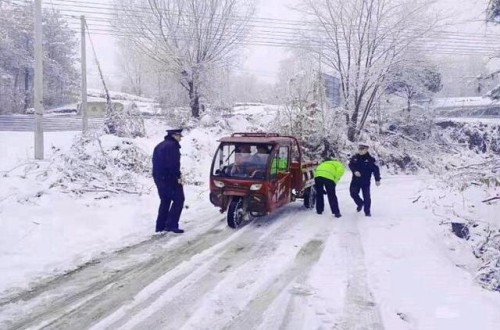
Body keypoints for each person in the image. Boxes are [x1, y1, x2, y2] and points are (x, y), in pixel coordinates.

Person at [152, 128, 185, 233]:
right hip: (169, 178)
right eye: (180, 136)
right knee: (179, 199)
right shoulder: (172, 147)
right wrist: (178, 177)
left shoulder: (159, 146)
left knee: (165, 200)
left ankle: (160, 226)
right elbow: (173, 165)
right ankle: (171, 225)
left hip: (158, 178)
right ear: (175, 135)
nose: (180, 138)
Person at [348, 142, 381, 217]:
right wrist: (355, 171)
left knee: (366, 197)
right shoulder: (355, 157)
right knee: (353, 193)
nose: (360, 150)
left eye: (362, 149)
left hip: (365, 181)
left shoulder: (370, 159)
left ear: (366, 149)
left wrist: (377, 179)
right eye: (359, 149)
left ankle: (367, 212)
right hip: (355, 180)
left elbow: (376, 169)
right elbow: (350, 165)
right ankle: (360, 203)